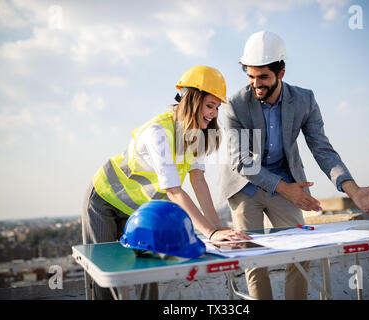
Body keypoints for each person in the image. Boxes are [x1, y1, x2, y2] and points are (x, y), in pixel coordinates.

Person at [218, 31, 369, 300]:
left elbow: (322, 149)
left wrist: (353, 190)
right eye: (250, 76)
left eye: (263, 77)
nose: (256, 84)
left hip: (288, 181)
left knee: (301, 253)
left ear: (281, 73)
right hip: (245, 185)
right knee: (253, 258)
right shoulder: (235, 105)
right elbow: (243, 162)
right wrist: (285, 189)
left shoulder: (305, 100)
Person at [82, 65, 250, 300]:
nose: (213, 114)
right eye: (210, 106)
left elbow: (198, 180)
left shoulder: (196, 135)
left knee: (148, 271)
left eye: (216, 108)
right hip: (105, 201)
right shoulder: (158, 132)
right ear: (192, 99)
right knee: (105, 275)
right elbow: (173, 190)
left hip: (140, 210)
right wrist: (210, 232)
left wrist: (217, 229)